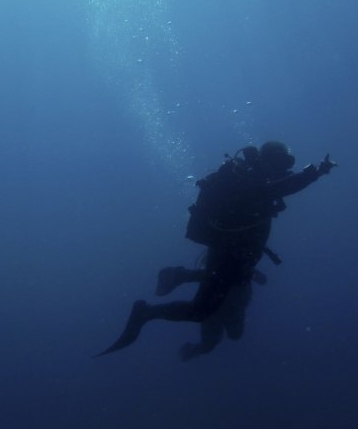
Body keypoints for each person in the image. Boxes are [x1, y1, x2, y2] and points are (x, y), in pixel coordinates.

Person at [97, 141, 337, 359]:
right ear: (270, 160)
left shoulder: (258, 180)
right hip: (228, 253)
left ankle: (179, 279)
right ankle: (147, 311)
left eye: (288, 163)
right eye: (283, 162)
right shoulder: (251, 181)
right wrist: (314, 173)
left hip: (235, 253)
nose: (285, 168)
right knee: (201, 310)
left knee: (219, 301)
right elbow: (272, 191)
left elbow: (273, 193)